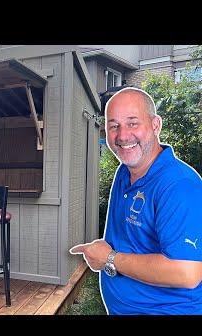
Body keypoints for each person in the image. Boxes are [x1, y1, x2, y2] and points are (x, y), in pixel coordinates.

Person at [70, 87, 202, 315]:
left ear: (155, 125)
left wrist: (109, 258)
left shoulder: (179, 185)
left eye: (132, 123)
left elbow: (187, 273)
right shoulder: (125, 172)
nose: (122, 135)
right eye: (114, 126)